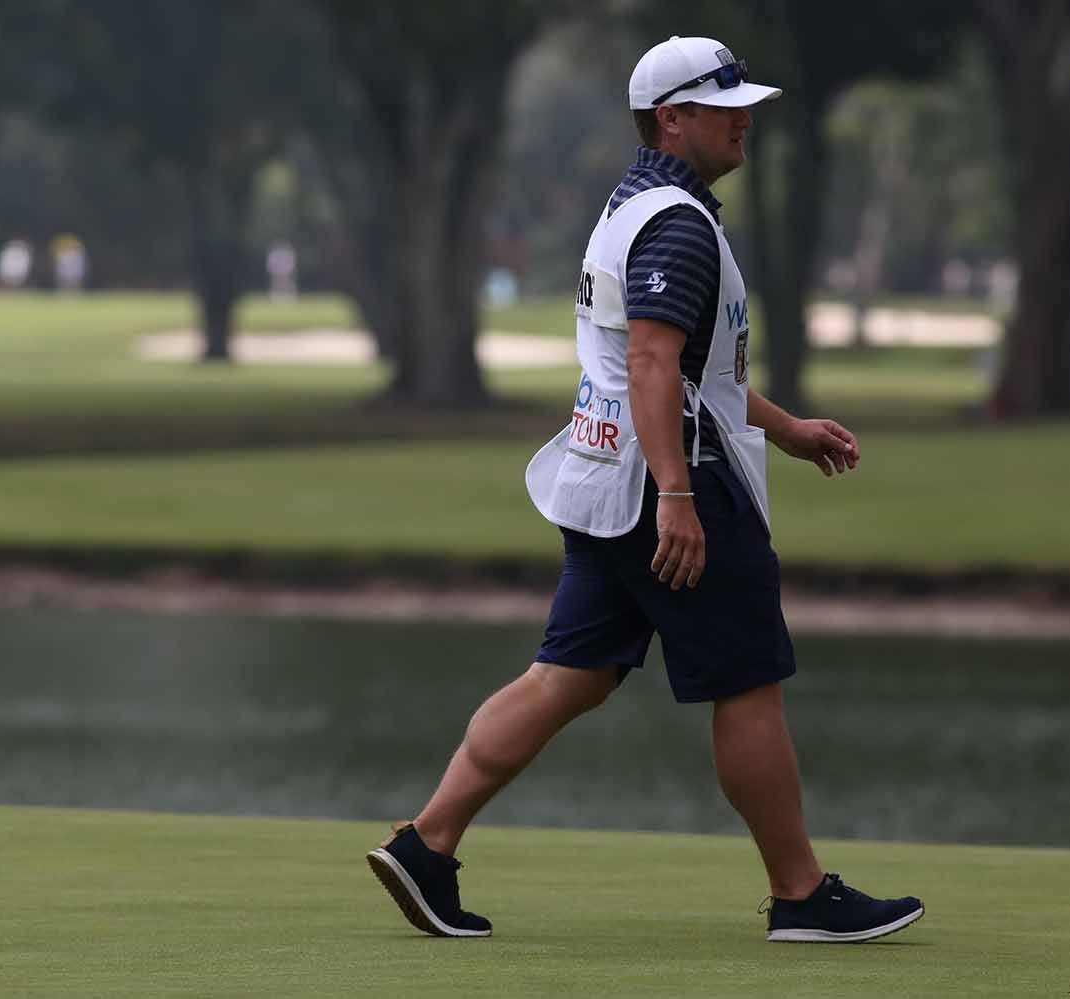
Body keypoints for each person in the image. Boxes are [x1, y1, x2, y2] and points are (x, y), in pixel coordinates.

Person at [366, 35, 924, 944]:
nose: (744, 118)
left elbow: (689, 365)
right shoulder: (676, 222)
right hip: (670, 488)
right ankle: (799, 893)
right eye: (724, 102)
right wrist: (676, 495)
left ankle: (427, 843)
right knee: (746, 683)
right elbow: (653, 359)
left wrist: (784, 428)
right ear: (672, 117)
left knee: (564, 677)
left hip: (604, 480)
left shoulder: (630, 208)